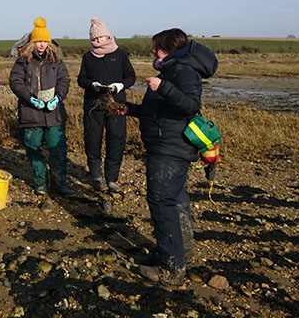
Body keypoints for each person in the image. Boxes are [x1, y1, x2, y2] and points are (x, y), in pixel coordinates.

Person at [122, 28, 217, 286]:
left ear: (168, 49)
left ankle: (171, 269)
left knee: (162, 201)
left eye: (157, 47)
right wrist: (128, 109)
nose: (153, 51)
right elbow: (160, 112)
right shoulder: (174, 69)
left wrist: (163, 87)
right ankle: (180, 254)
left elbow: (190, 105)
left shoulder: (182, 71)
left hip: (170, 149)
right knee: (175, 201)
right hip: (167, 146)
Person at [9, 18, 72, 196]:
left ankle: (60, 183)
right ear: (32, 43)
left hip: (54, 114)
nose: (42, 45)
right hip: (31, 113)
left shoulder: (56, 61)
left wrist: (58, 98)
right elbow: (15, 82)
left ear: (49, 42)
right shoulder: (23, 61)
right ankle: (41, 183)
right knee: (33, 148)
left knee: (57, 148)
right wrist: (30, 98)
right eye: (38, 41)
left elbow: (64, 81)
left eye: (45, 41)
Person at [77, 17, 135, 192]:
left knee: (116, 139)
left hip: (116, 104)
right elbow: (81, 79)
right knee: (92, 140)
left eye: (100, 38)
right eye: (94, 39)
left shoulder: (120, 54)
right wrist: (91, 85)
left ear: (107, 36)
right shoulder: (88, 56)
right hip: (93, 105)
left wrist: (120, 85)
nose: (97, 41)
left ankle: (111, 178)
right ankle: (97, 177)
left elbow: (131, 76)